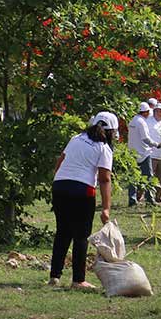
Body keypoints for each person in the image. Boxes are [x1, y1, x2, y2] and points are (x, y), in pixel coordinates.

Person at [49, 111, 116, 290]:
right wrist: (106, 208)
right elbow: (104, 179)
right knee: (81, 236)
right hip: (82, 190)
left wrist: (58, 183)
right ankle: (78, 280)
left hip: (60, 186)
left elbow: (60, 161)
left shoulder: (76, 138)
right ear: (111, 132)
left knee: (63, 232)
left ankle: (54, 276)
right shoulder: (103, 148)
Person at [127, 102, 159, 208]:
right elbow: (145, 139)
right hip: (144, 153)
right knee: (148, 177)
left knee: (133, 178)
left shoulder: (133, 120)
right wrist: (156, 144)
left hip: (132, 153)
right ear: (145, 112)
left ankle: (132, 199)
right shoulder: (141, 122)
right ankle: (150, 199)